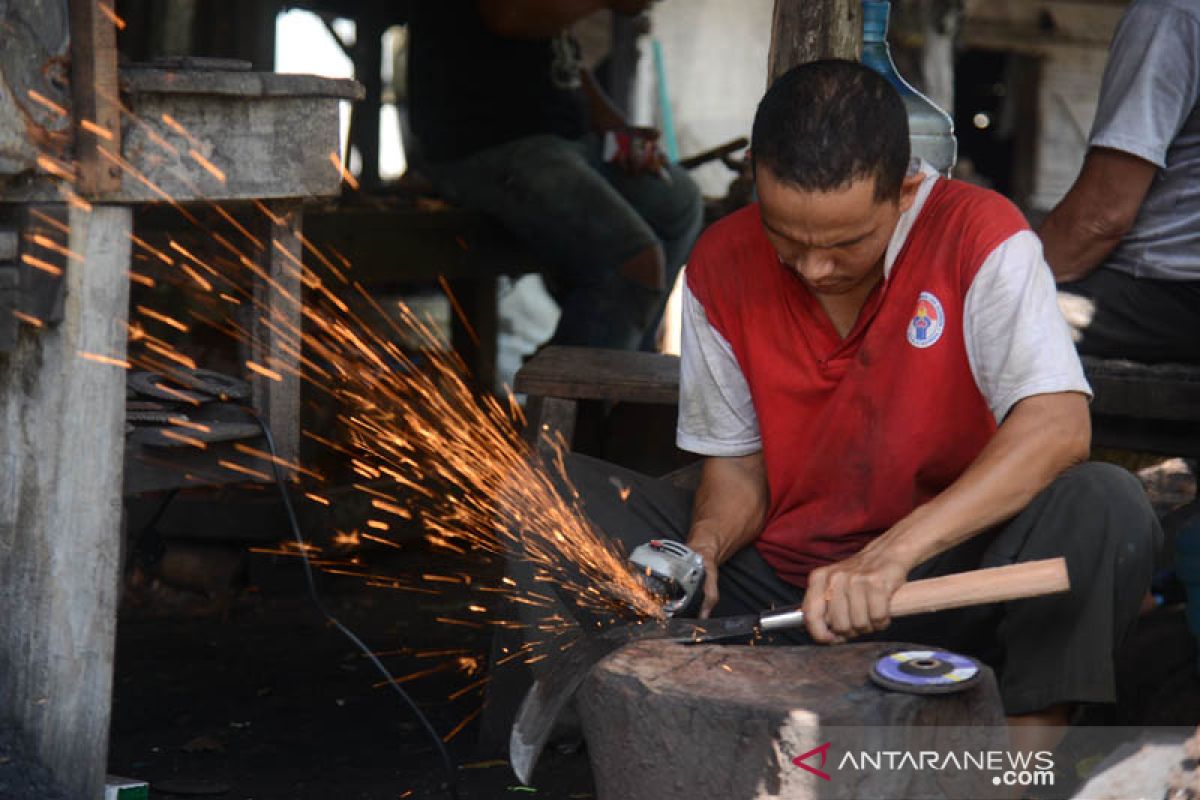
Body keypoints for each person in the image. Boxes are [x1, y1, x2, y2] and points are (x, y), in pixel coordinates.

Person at [554, 60, 1160, 750]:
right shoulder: (720, 262)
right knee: (552, 494)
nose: (814, 268)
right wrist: (704, 549)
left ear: (904, 191)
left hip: (946, 583)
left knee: (1105, 501)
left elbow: (1056, 428)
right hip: (786, 597)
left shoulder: (982, 235)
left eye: (846, 243)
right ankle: (661, 724)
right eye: (789, 240)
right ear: (755, 175)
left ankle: (1015, 768)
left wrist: (888, 557)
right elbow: (737, 469)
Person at [406, 0, 704, 351]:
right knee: (632, 264)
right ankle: (572, 399)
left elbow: (564, 55)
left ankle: (621, 373)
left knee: (679, 203)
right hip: (489, 145)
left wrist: (616, 127)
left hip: (567, 143)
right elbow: (509, 15)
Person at [1038, 0, 1200, 364]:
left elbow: (1100, 218)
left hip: (1170, 292)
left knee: (972, 320)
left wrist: (1001, 280)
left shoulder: (1171, 13)